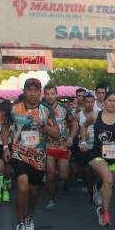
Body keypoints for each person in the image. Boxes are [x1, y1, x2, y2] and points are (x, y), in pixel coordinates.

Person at [1, 78, 59, 230]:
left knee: (34, 193)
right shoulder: (14, 109)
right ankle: (19, 223)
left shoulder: (47, 111)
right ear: (24, 91)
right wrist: (5, 146)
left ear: (40, 93)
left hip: (39, 156)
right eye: (29, 90)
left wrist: (42, 124)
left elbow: (56, 133)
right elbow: (5, 127)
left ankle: (29, 217)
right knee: (22, 187)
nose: (32, 93)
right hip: (19, 153)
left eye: (35, 90)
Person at [80, 91, 115, 226]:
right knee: (109, 179)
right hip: (97, 155)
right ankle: (106, 213)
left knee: (108, 184)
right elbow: (84, 126)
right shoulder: (95, 116)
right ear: (104, 102)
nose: (112, 103)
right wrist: (83, 142)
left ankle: (102, 208)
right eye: (109, 100)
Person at [43, 83, 77, 211]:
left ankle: (56, 183)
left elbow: (74, 124)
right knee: (50, 175)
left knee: (63, 176)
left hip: (63, 147)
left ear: (56, 94)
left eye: (52, 93)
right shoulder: (41, 109)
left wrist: (71, 138)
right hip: (49, 146)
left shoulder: (64, 108)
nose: (50, 96)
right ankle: (51, 199)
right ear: (44, 95)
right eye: (47, 94)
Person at [76, 91, 98, 203]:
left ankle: (96, 188)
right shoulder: (78, 115)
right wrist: (81, 135)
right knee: (86, 170)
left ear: (94, 102)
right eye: (87, 102)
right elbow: (74, 131)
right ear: (83, 102)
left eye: (91, 102)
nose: (89, 104)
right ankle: (91, 193)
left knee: (96, 170)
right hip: (84, 146)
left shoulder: (99, 113)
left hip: (96, 145)